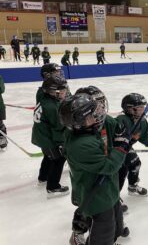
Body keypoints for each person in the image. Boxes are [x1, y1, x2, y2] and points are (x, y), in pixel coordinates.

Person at [59, 93, 128, 245]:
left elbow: (111, 124)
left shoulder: (87, 129)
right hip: (96, 196)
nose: (98, 115)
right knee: (104, 231)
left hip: (108, 190)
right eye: (93, 114)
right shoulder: (82, 145)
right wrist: (121, 147)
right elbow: (110, 166)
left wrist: (123, 130)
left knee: (116, 224)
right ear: (80, 121)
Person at [115, 93, 148, 198]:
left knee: (135, 163)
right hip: (116, 149)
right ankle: (114, 197)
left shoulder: (142, 122)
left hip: (127, 148)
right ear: (129, 109)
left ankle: (132, 186)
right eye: (139, 108)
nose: (142, 110)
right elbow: (114, 139)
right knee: (121, 170)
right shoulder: (121, 120)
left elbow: (143, 137)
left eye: (143, 108)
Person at [31, 70, 70, 198]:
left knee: (49, 156)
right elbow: (58, 128)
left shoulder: (46, 99)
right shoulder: (53, 107)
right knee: (58, 158)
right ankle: (53, 187)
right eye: (62, 91)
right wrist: (61, 143)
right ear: (53, 91)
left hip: (41, 136)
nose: (65, 92)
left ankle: (43, 177)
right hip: (47, 139)